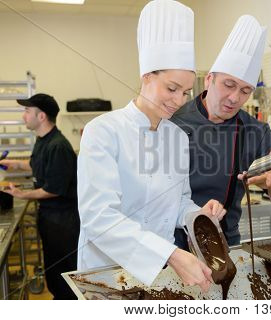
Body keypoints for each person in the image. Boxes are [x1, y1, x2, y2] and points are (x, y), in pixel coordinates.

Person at [76, 0, 225, 293]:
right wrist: (168, 253)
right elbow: (99, 217)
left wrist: (198, 214)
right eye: (171, 88)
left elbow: (178, 200)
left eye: (185, 92)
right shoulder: (103, 132)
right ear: (146, 77)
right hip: (107, 272)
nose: (178, 100)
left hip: (160, 271)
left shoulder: (177, 137)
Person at [171, 15, 271, 249]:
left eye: (245, 90)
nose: (234, 98)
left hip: (224, 244)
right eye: (229, 85)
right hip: (172, 245)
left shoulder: (256, 132)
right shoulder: (173, 120)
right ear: (209, 79)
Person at [0, 93, 79, 299]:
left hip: (62, 222)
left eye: (27, 111)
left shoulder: (58, 146)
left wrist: (21, 194)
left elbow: (54, 188)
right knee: (53, 269)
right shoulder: (44, 141)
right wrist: (16, 164)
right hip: (50, 218)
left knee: (63, 271)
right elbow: (41, 166)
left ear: (41, 116)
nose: (23, 116)